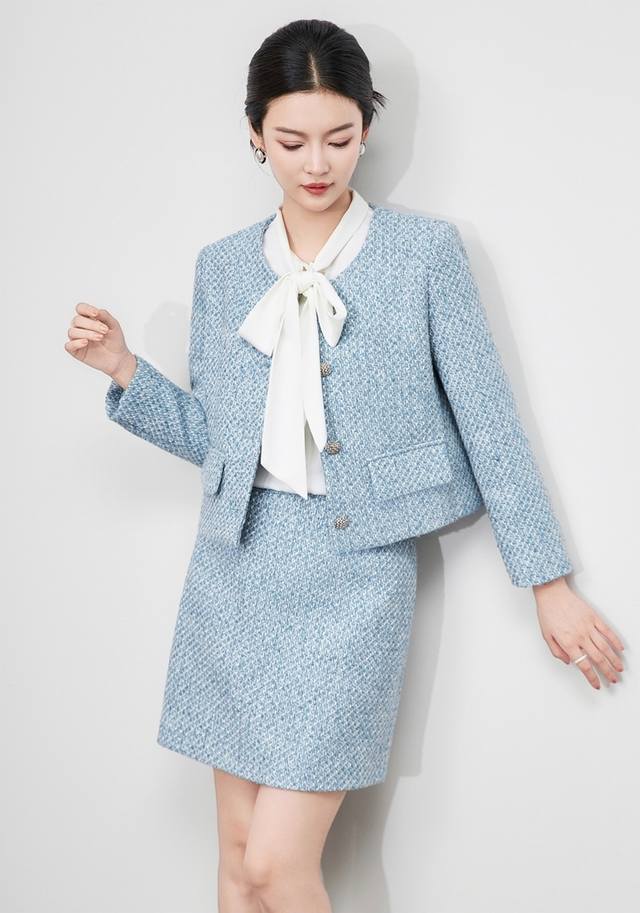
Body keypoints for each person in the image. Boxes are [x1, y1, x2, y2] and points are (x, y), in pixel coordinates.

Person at [64, 17, 625, 913]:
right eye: (291, 141)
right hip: (235, 570)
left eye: (340, 136)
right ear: (256, 134)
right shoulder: (222, 267)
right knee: (237, 860)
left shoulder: (425, 255)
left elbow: (490, 422)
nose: (317, 163)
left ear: (368, 125)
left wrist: (546, 580)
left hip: (356, 573)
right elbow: (222, 442)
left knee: (276, 865)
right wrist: (127, 370)